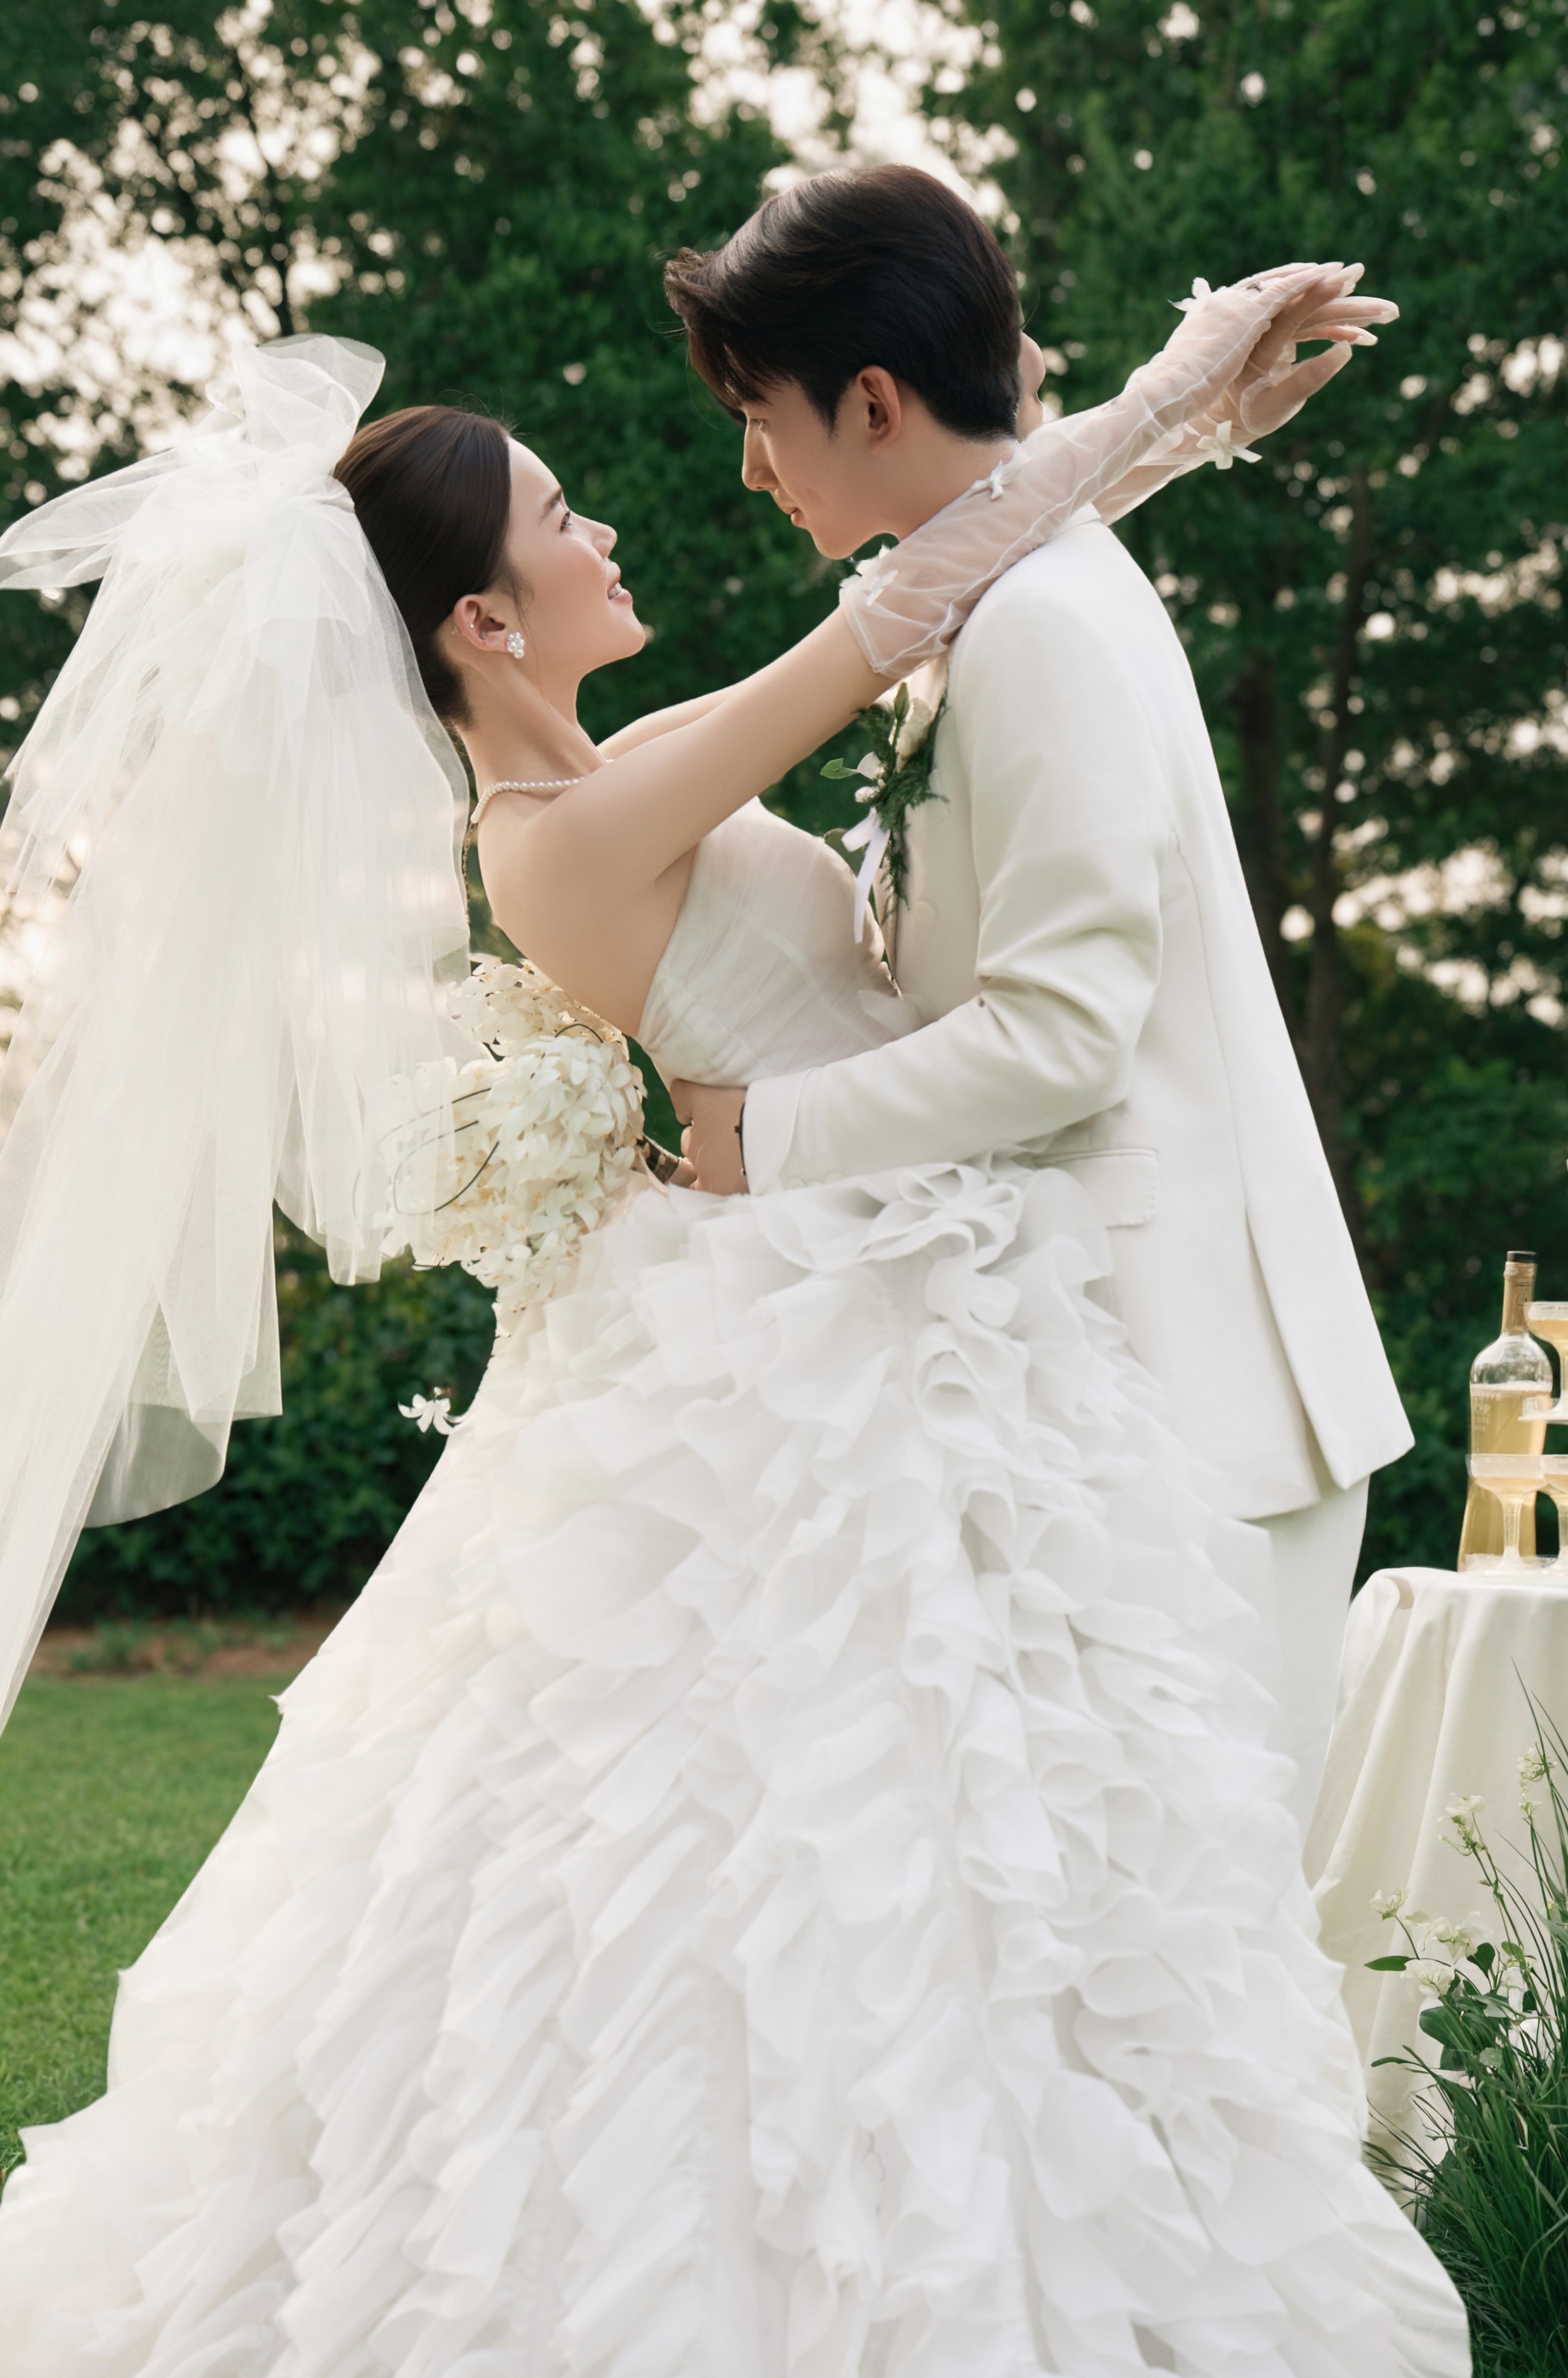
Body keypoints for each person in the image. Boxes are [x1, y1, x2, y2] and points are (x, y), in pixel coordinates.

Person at [0, 269, 1469, 2368]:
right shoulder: (560, 844)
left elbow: (952, 588)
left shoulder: (634, 764)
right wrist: (1153, 385)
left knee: (941, 1827)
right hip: (827, 1323)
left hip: (898, 1300)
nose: (606, 526)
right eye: (561, 516)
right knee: (821, 1827)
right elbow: (905, 603)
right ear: (482, 621)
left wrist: (1186, 430)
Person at [665, 165, 1409, 1832]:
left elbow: (1062, 1036)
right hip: (1103, 1391)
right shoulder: (1010, 593)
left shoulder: (1038, 630)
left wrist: (761, 1138)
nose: (751, 468)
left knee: (1190, 1932)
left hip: (1196, 1395)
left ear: (871, 401)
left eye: (760, 418)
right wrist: (1180, 427)